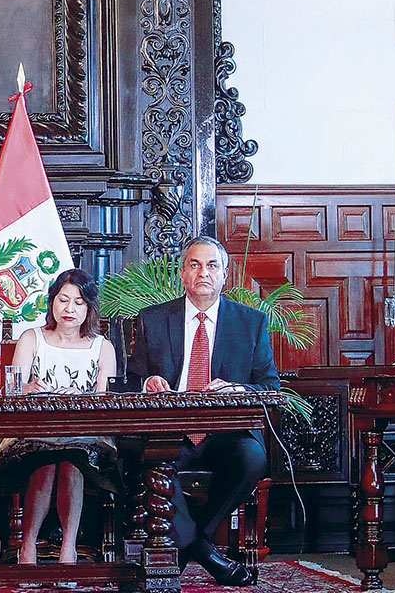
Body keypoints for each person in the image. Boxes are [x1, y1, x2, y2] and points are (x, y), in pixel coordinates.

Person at [126, 235, 279, 587]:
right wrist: (148, 381)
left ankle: (192, 546)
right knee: (149, 461)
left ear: (225, 275)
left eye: (212, 266)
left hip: (225, 431)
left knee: (252, 457)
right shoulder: (152, 319)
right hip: (170, 431)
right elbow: (131, 380)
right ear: (182, 274)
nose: (203, 273)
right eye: (194, 265)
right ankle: (207, 552)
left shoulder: (250, 323)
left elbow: (270, 386)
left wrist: (238, 389)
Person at [0, 268, 118, 565]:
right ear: (52, 303)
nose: (69, 309)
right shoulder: (32, 338)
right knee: (46, 458)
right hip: (34, 428)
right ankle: (28, 546)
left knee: (72, 457)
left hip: (86, 432)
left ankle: (68, 549)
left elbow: (104, 401)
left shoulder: (103, 347)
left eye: (78, 302)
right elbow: (13, 391)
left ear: (89, 308)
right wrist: (28, 388)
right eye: (63, 300)